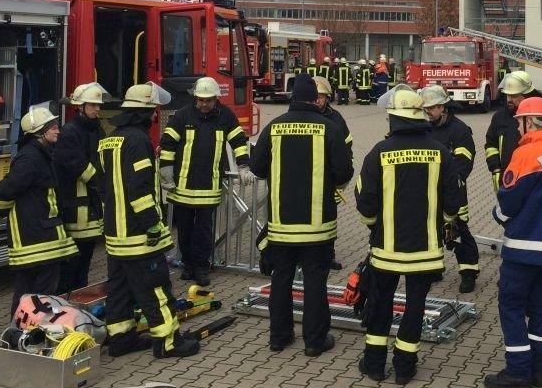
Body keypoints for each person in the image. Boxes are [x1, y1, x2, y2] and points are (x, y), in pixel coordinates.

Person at [355, 86, 462, 384]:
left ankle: (374, 365)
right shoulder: (441, 153)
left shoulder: (379, 152)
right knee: (415, 306)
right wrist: (444, 222)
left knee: (380, 303)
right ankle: (405, 368)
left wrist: (373, 226)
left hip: (386, 250)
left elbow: (365, 199)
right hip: (425, 251)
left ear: (394, 119)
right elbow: (454, 201)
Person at [251, 74, 353, 356]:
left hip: (281, 225)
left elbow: (257, 168)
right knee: (315, 282)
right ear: (314, 99)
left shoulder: (274, 127)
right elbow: (344, 172)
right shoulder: (329, 128)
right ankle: (314, 341)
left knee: (281, 279)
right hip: (318, 226)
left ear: (292, 97)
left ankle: (279, 337)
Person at [98, 82, 199, 359]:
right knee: (155, 287)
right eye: (153, 110)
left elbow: (103, 184)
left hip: (115, 234)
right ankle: (168, 342)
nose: (156, 115)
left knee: (118, 288)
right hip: (139, 234)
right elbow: (139, 188)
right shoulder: (139, 141)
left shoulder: (109, 139)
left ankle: (121, 339)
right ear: (143, 112)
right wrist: (152, 224)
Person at [484, 97, 542, 388]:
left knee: (510, 306)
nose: (517, 128)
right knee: (539, 308)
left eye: (519, 122)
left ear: (528, 121)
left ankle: (518, 371)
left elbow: (507, 203)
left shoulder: (524, 155)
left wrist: (497, 214)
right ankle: (537, 370)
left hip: (522, 249)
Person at [160, 76, 250, 287]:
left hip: (209, 187)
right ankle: (188, 265)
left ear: (215, 99)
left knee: (203, 230)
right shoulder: (183, 115)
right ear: (195, 98)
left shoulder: (226, 116)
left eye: (208, 100)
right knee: (184, 229)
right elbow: (168, 143)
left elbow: (238, 141)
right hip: (182, 186)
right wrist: (165, 172)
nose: (204, 104)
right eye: (200, 100)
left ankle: (201, 267)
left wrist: (244, 165)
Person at [0, 104, 79, 316]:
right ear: (39, 131)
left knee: (27, 291)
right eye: (53, 127)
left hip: (40, 236)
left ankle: (20, 329)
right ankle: (31, 332)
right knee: (39, 294)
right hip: (36, 240)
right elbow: (5, 191)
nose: (58, 130)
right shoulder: (30, 158)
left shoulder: (40, 154)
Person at [420, 84, 480, 293]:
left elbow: (464, 163)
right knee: (432, 231)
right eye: (426, 108)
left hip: (453, 191)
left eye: (432, 108)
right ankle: (434, 269)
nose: (428, 112)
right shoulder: (424, 128)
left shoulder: (459, 130)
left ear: (444, 107)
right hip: (429, 191)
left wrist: (448, 184)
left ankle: (469, 272)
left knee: (458, 231)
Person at [54, 82, 108, 293]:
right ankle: (64, 302)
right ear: (80, 106)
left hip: (91, 208)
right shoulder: (69, 132)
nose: (97, 109)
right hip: (73, 208)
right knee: (70, 264)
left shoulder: (97, 129)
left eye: (98, 105)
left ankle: (79, 299)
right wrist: (102, 180)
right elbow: (75, 164)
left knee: (85, 261)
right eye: (92, 105)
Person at [485, 71, 542, 190]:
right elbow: (491, 144)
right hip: (507, 180)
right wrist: (495, 168)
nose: (509, 99)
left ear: (526, 95)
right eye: (507, 95)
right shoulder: (499, 117)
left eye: (514, 96)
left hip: (533, 182)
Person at [313, 75, 353, 271]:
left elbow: (347, 143)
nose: (318, 100)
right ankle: (307, 257)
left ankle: (328, 256)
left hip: (329, 178)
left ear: (327, 98)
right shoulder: (306, 116)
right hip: (309, 177)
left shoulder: (336, 117)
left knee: (329, 219)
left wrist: (347, 165)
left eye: (321, 96)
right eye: (315, 96)